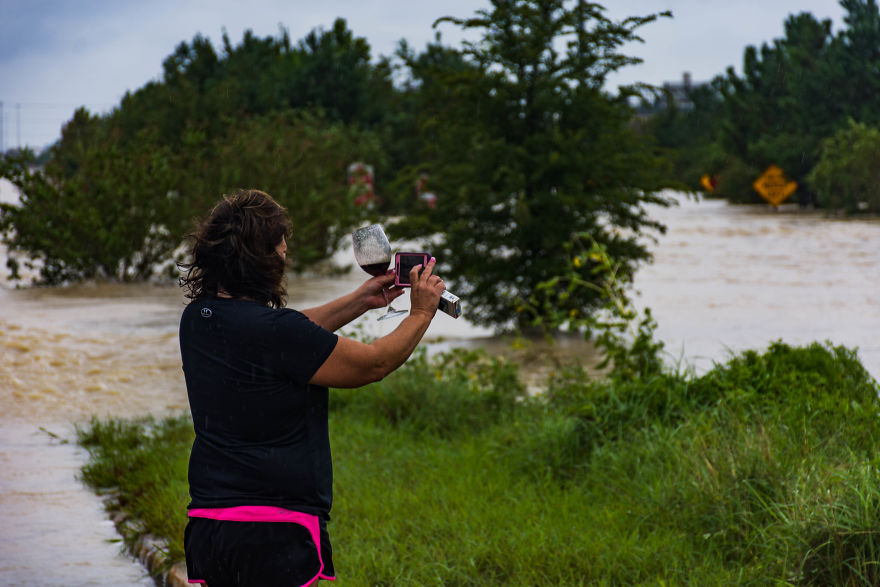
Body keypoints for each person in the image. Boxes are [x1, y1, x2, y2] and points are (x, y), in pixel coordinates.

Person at [177, 189, 445, 586]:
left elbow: (281, 337)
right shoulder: (277, 333)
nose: (285, 258)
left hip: (210, 528)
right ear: (262, 260)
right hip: (275, 530)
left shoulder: (198, 319)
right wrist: (422, 311)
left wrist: (359, 301)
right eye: (281, 251)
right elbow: (375, 363)